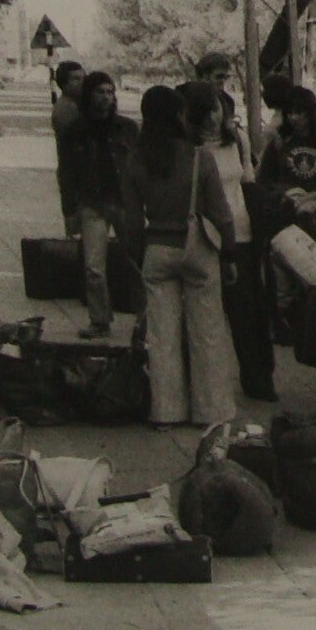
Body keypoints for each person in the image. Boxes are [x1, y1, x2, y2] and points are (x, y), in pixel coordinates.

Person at [122, 84, 238, 429]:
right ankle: (211, 411)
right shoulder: (200, 157)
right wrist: (229, 253)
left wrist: (137, 254)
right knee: (208, 332)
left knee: (162, 335)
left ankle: (167, 411)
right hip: (197, 250)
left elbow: (131, 219)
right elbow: (222, 214)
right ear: (178, 115)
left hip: (157, 249)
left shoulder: (135, 159)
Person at [201, 90, 277, 402]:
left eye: (217, 110)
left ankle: (258, 379)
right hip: (205, 237)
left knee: (248, 311)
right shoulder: (192, 148)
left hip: (242, 234)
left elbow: (248, 182)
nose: (213, 117)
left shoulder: (238, 141)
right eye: (206, 111)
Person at [56, 71, 139, 339]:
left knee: (137, 261)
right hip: (92, 203)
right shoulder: (75, 131)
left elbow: (139, 167)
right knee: (93, 267)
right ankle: (100, 319)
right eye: (100, 92)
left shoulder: (127, 128)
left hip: (125, 202)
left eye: (110, 92)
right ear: (89, 95)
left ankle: (146, 318)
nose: (105, 98)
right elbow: (66, 172)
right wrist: (69, 211)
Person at [254, 86, 316, 324]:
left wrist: (314, 197)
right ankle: (286, 322)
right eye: (291, 113)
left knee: (313, 276)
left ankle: (312, 323)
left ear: (311, 114)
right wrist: (285, 194)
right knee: (283, 278)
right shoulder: (277, 145)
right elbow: (263, 181)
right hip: (284, 220)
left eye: (300, 113)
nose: (295, 118)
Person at [51, 60, 86, 237]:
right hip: (75, 178)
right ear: (64, 84)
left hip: (75, 177)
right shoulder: (67, 109)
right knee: (78, 234)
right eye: (76, 79)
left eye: (83, 78)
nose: (82, 82)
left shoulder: (75, 106)